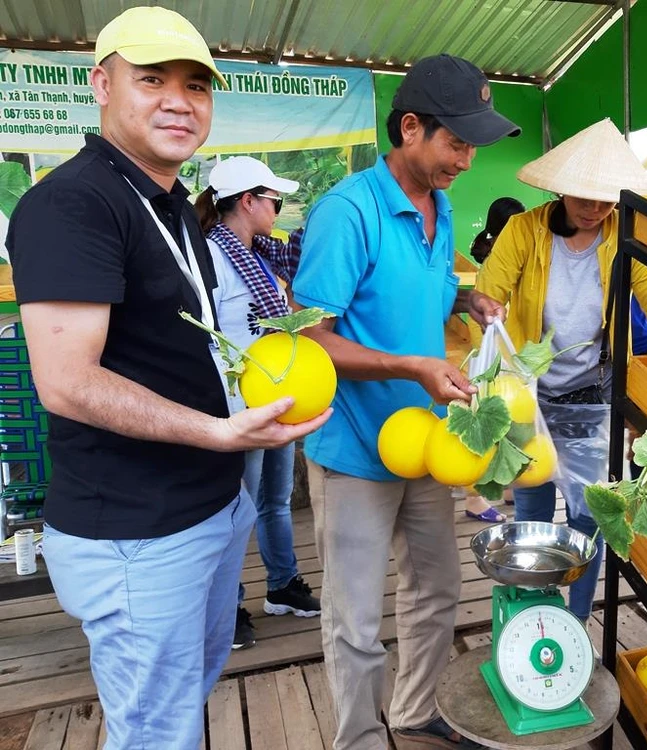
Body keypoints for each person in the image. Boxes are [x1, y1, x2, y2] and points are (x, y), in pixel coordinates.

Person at [4, 8, 329, 749]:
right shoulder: (71, 203)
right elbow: (66, 383)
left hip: (211, 505)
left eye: (195, 84)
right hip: (134, 533)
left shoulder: (174, 206)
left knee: (189, 693)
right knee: (155, 730)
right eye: (151, 79)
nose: (178, 100)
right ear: (101, 85)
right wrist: (219, 431)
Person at [293, 54, 518, 749]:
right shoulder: (347, 212)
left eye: (474, 144)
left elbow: (417, 285)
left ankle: (415, 712)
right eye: (456, 142)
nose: (467, 159)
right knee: (355, 618)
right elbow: (307, 340)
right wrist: (410, 365)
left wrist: (463, 295)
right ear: (412, 127)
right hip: (356, 448)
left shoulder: (441, 208)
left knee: (437, 591)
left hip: (424, 441)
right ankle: (359, 738)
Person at [476, 118, 647, 621]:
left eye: (606, 198)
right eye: (583, 197)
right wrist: (488, 310)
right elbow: (488, 294)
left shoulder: (626, 241)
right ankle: (531, 615)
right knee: (530, 513)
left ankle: (572, 622)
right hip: (528, 397)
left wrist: (646, 388)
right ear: (561, 190)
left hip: (591, 397)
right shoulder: (524, 231)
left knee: (587, 518)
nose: (595, 208)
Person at [194, 156, 322, 652]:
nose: (279, 210)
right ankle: (230, 603)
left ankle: (282, 586)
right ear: (247, 201)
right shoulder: (210, 256)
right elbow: (207, 337)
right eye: (275, 201)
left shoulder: (263, 256)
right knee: (237, 510)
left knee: (275, 500)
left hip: (276, 398)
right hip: (237, 406)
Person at [464, 195, 525, 523]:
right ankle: (474, 497)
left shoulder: (511, 252)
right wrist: (487, 366)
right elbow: (483, 318)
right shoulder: (495, 259)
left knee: (510, 423)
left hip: (506, 353)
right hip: (491, 356)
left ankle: (510, 484)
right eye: (518, 221)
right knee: (486, 426)